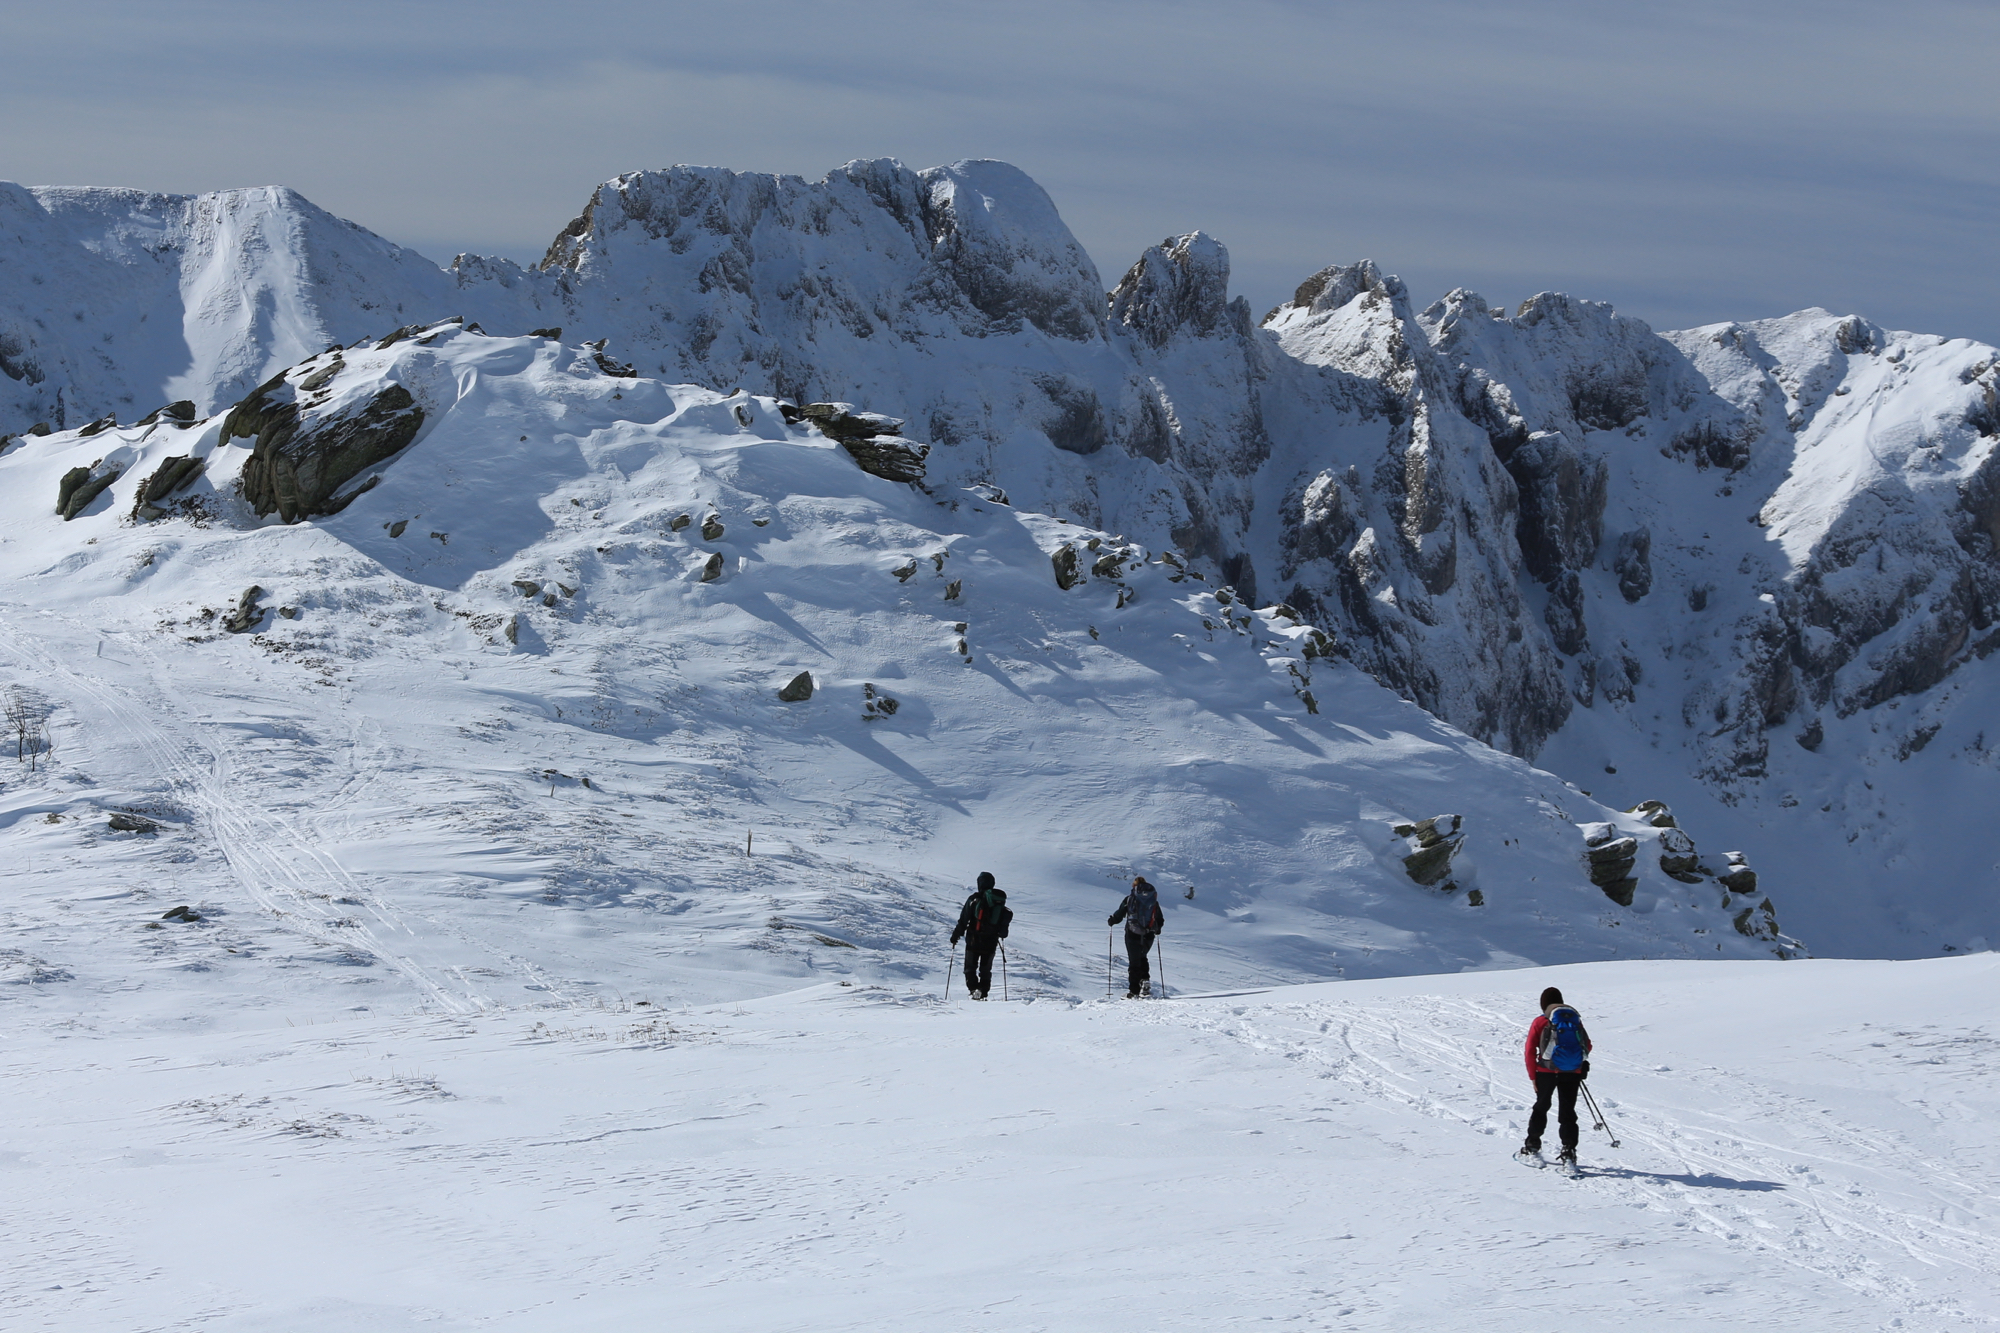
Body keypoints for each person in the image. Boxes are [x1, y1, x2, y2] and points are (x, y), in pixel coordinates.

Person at [1519, 985, 1593, 1165]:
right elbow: (1587, 1045)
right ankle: (1569, 1150)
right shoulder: (1574, 1019)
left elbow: (1529, 1050)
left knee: (1541, 1107)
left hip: (1545, 1071)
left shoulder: (1540, 1021)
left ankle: (1532, 1145)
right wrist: (1576, 1064)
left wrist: (1533, 1077)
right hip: (1571, 1072)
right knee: (1568, 1111)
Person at [950, 872, 1011, 999]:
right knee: (985, 970)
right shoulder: (998, 901)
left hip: (974, 939)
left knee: (970, 968)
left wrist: (955, 936)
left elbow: (963, 920)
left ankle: (973, 990)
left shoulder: (974, 899)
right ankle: (983, 992)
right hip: (991, 941)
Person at [1107, 875, 1164, 998]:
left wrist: (1112, 921)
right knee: (1143, 956)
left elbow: (1119, 914)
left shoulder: (1129, 899)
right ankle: (1145, 981)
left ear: (1134, 886)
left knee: (1134, 961)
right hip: (1149, 935)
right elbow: (1160, 919)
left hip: (1132, 934)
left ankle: (1134, 991)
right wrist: (1157, 929)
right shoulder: (1153, 901)